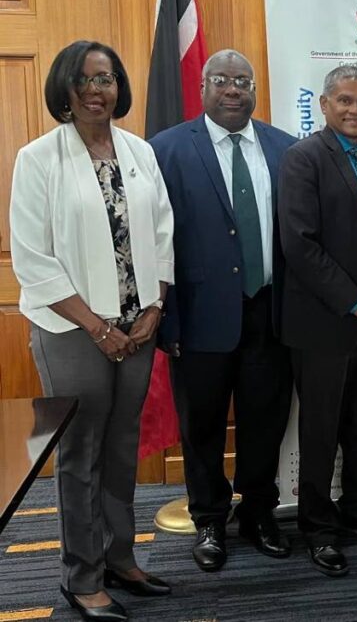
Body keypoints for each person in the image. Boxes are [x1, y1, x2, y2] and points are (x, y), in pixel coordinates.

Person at [9, 41, 175, 622]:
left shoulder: (138, 152)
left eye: (105, 79)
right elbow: (34, 258)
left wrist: (155, 306)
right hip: (72, 329)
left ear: (118, 87)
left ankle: (120, 558)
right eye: (82, 80)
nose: (95, 90)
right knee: (80, 452)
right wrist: (97, 327)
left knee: (121, 446)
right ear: (64, 89)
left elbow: (160, 231)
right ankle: (80, 577)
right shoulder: (38, 158)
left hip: (138, 324)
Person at [150, 49, 297, 572]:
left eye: (243, 80)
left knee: (265, 421)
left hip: (270, 313)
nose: (233, 90)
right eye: (222, 80)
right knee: (203, 426)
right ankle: (209, 518)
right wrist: (166, 320)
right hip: (199, 316)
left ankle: (258, 513)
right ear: (205, 87)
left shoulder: (286, 148)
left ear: (254, 89)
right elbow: (154, 242)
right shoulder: (165, 149)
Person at [278, 65, 357, 578]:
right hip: (324, 321)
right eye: (346, 101)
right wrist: (355, 301)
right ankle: (318, 528)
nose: (356, 110)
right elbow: (300, 245)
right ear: (325, 105)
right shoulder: (302, 158)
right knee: (320, 430)